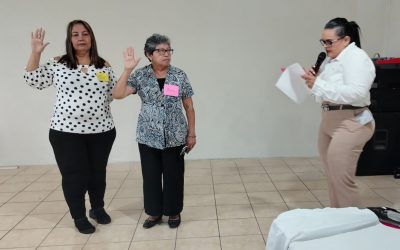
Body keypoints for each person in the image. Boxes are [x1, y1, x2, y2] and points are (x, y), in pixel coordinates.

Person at [23, 20, 116, 234]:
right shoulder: (58, 63)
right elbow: (33, 80)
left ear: (91, 37)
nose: (81, 38)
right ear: (70, 39)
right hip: (66, 132)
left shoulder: (104, 65)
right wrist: (35, 53)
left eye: (85, 33)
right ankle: (79, 216)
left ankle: (97, 208)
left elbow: (111, 94)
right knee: (75, 175)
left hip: (102, 131)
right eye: (75, 34)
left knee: (97, 173)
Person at [112, 34, 196, 229]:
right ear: (149, 54)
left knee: (174, 175)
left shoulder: (179, 75)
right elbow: (117, 94)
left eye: (168, 51)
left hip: (175, 135)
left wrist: (191, 133)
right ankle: (154, 213)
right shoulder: (140, 75)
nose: (166, 54)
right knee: (150, 176)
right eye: (161, 51)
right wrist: (127, 69)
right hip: (148, 135)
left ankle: (173, 212)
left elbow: (189, 107)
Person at [302, 18, 376, 208]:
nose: (326, 46)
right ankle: (338, 218)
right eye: (323, 42)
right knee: (332, 176)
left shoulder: (357, 58)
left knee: (342, 180)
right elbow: (326, 94)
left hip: (351, 122)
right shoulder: (332, 60)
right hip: (329, 120)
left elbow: (356, 92)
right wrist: (313, 81)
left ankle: (354, 227)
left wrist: (318, 84)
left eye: (329, 42)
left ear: (345, 39)